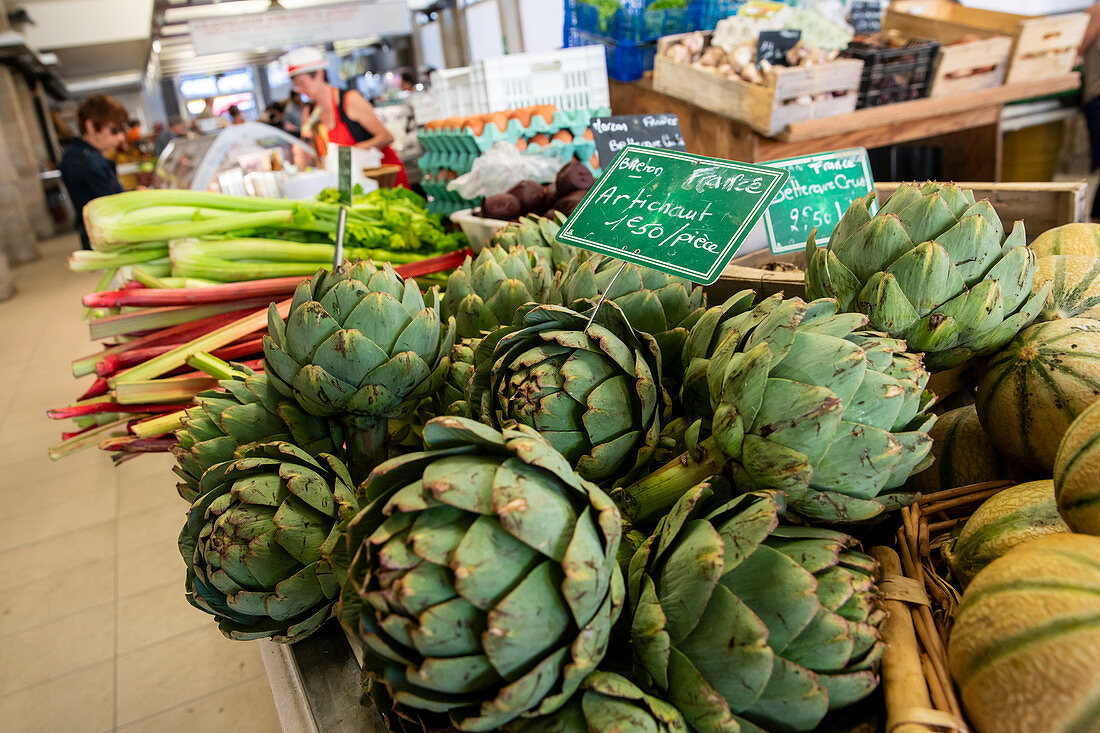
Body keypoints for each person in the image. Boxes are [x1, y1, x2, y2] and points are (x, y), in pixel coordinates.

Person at [282, 46, 409, 187]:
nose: (300, 90)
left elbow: (386, 137)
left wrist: (351, 152)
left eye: (302, 83)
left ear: (318, 74)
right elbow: (312, 154)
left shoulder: (349, 99)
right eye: (296, 86)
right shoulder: (309, 112)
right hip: (350, 185)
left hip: (383, 180)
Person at [59, 94, 128, 250]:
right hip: (105, 238)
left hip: (94, 234)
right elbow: (110, 203)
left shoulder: (74, 154)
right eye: (114, 130)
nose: (120, 138)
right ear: (90, 126)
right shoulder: (88, 159)